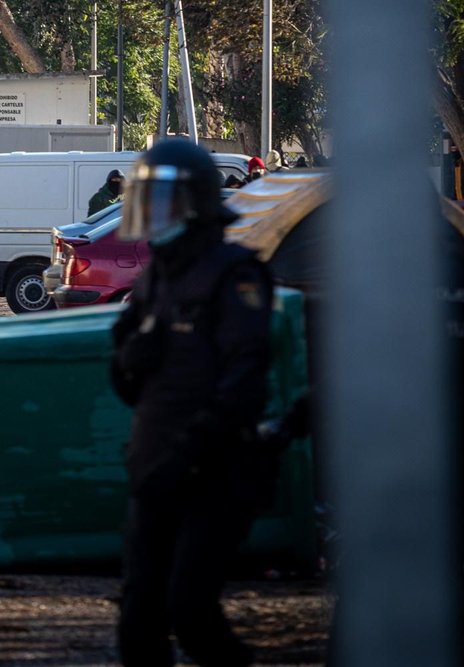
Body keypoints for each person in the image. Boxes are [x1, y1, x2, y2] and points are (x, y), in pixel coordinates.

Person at [110, 137, 275, 667]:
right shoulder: (159, 272)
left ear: (195, 204)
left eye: (161, 202)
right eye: (146, 201)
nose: (151, 215)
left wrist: (187, 457)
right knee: (139, 614)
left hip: (214, 471)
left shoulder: (235, 273)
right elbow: (134, 383)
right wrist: (128, 358)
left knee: (190, 609)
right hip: (155, 466)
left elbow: (245, 382)